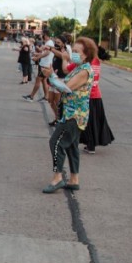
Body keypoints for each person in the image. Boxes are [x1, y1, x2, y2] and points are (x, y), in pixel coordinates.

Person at [40, 37, 95, 194]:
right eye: (74, 51)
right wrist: (53, 76)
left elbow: (66, 88)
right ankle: (74, 179)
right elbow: (64, 79)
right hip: (71, 113)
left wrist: (51, 76)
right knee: (71, 146)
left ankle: (57, 177)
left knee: (55, 143)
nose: (74, 54)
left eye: (77, 52)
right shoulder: (79, 67)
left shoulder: (85, 70)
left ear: (86, 55)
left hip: (74, 115)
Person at [80, 43, 115, 154]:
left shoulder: (89, 62)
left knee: (89, 121)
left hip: (89, 95)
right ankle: (91, 144)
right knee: (95, 121)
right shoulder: (97, 62)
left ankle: (90, 145)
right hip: (96, 95)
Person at [24, 34, 54, 102]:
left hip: (44, 65)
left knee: (38, 80)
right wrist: (37, 54)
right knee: (44, 81)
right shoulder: (48, 42)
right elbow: (44, 52)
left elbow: (47, 53)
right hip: (45, 64)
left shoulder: (49, 43)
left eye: (43, 35)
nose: (42, 37)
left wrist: (37, 57)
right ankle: (46, 97)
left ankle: (31, 96)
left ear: (46, 35)